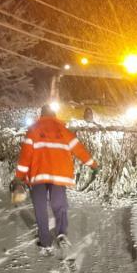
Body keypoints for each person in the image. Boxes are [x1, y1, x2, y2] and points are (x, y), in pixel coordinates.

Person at [13, 104, 99, 253]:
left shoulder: (33, 131)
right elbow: (79, 149)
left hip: (38, 174)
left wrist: (19, 177)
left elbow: (25, 157)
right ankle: (61, 233)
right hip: (59, 175)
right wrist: (93, 165)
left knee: (40, 207)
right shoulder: (63, 130)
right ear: (54, 116)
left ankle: (45, 241)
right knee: (59, 205)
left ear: (41, 115)